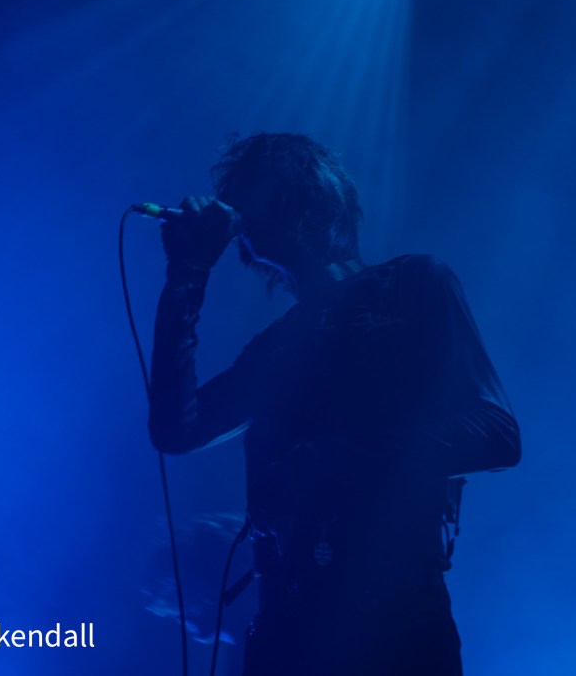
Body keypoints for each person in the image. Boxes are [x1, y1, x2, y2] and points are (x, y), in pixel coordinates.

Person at [148, 133, 520, 676]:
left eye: (248, 186)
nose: (232, 205)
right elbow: (176, 430)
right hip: (286, 632)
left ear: (301, 193)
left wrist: (340, 455)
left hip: (396, 626)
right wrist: (186, 275)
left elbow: (497, 432)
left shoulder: (413, 284)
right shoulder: (276, 347)